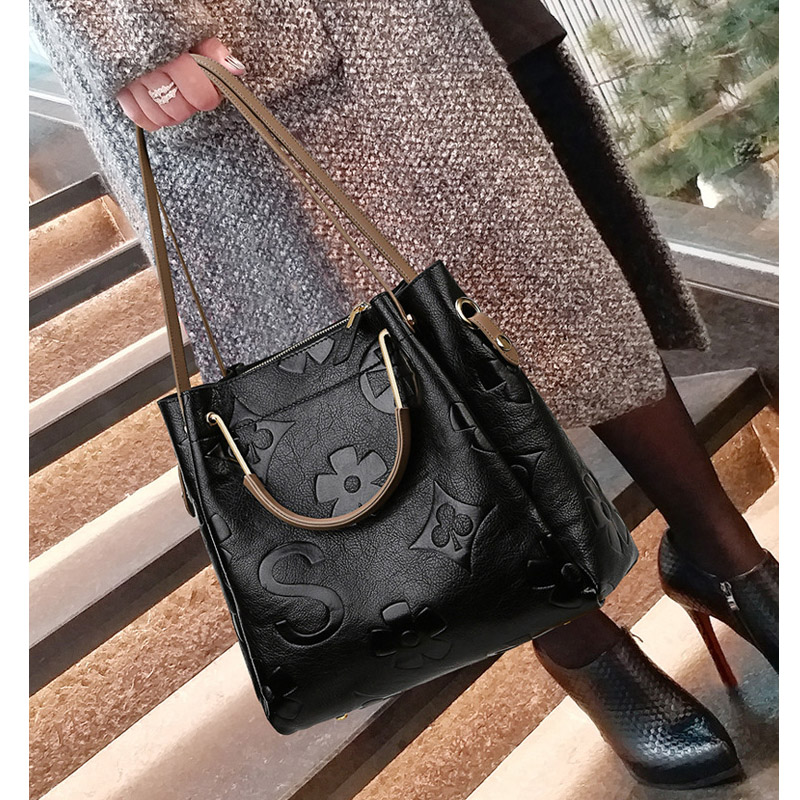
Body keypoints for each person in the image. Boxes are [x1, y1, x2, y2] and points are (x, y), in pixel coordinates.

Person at [30, 0, 777, 789]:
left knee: (556, 283)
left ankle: (726, 559)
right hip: (244, 44)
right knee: (377, 372)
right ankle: (580, 643)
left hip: (430, 24)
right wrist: (131, 37)